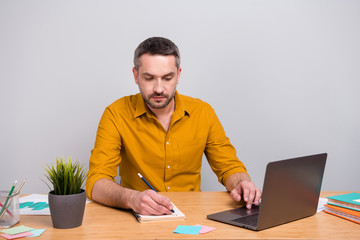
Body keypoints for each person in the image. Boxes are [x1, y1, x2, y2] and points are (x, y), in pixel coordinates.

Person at [86, 37, 261, 215]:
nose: (159, 89)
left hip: (191, 217)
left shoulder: (203, 112)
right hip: (137, 218)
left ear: (178, 75)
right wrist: (132, 199)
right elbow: (96, 181)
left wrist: (242, 184)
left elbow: (229, 167)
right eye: (149, 78)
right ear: (136, 75)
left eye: (167, 78)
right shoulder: (116, 113)